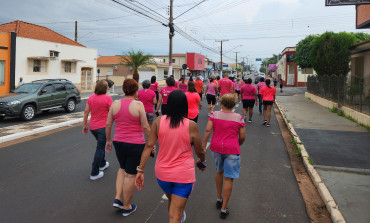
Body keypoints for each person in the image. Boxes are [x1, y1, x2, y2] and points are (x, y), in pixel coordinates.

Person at [135, 90, 206, 223]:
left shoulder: (158, 121)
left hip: (163, 174)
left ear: (168, 105)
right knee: (175, 216)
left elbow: (148, 146)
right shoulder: (191, 125)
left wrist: (140, 170)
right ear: (184, 106)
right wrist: (202, 161)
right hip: (183, 176)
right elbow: (200, 151)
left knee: (173, 203)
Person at [105, 79, 151, 216]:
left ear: (124, 89)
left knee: (122, 169)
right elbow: (145, 126)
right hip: (135, 144)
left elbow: (108, 124)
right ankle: (126, 206)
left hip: (118, 142)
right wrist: (151, 142)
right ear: (136, 91)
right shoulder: (138, 105)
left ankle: (118, 198)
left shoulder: (115, 104)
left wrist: (108, 141)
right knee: (130, 175)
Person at [202, 93, 246, 219]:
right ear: (233, 105)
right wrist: (237, 144)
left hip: (216, 148)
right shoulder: (239, 118)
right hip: (232, 149)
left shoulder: (214, 115)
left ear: (221, 103)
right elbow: (242, 137)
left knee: (219, 171)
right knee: (229, 178)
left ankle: (218, 198)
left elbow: (207, 130)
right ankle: (223, 208)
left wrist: (204, 145)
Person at [83, 80, 112, 180]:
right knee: (100, 148)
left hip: (93, 128)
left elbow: (86, 111)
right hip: (103, 128)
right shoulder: (107, 98)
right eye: (107, 87)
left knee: (101, 144)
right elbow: (111, 111)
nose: (108, 88)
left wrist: (84, 125)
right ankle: (94, 173)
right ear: (105, 88)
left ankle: (102, 164)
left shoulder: (91, 97)